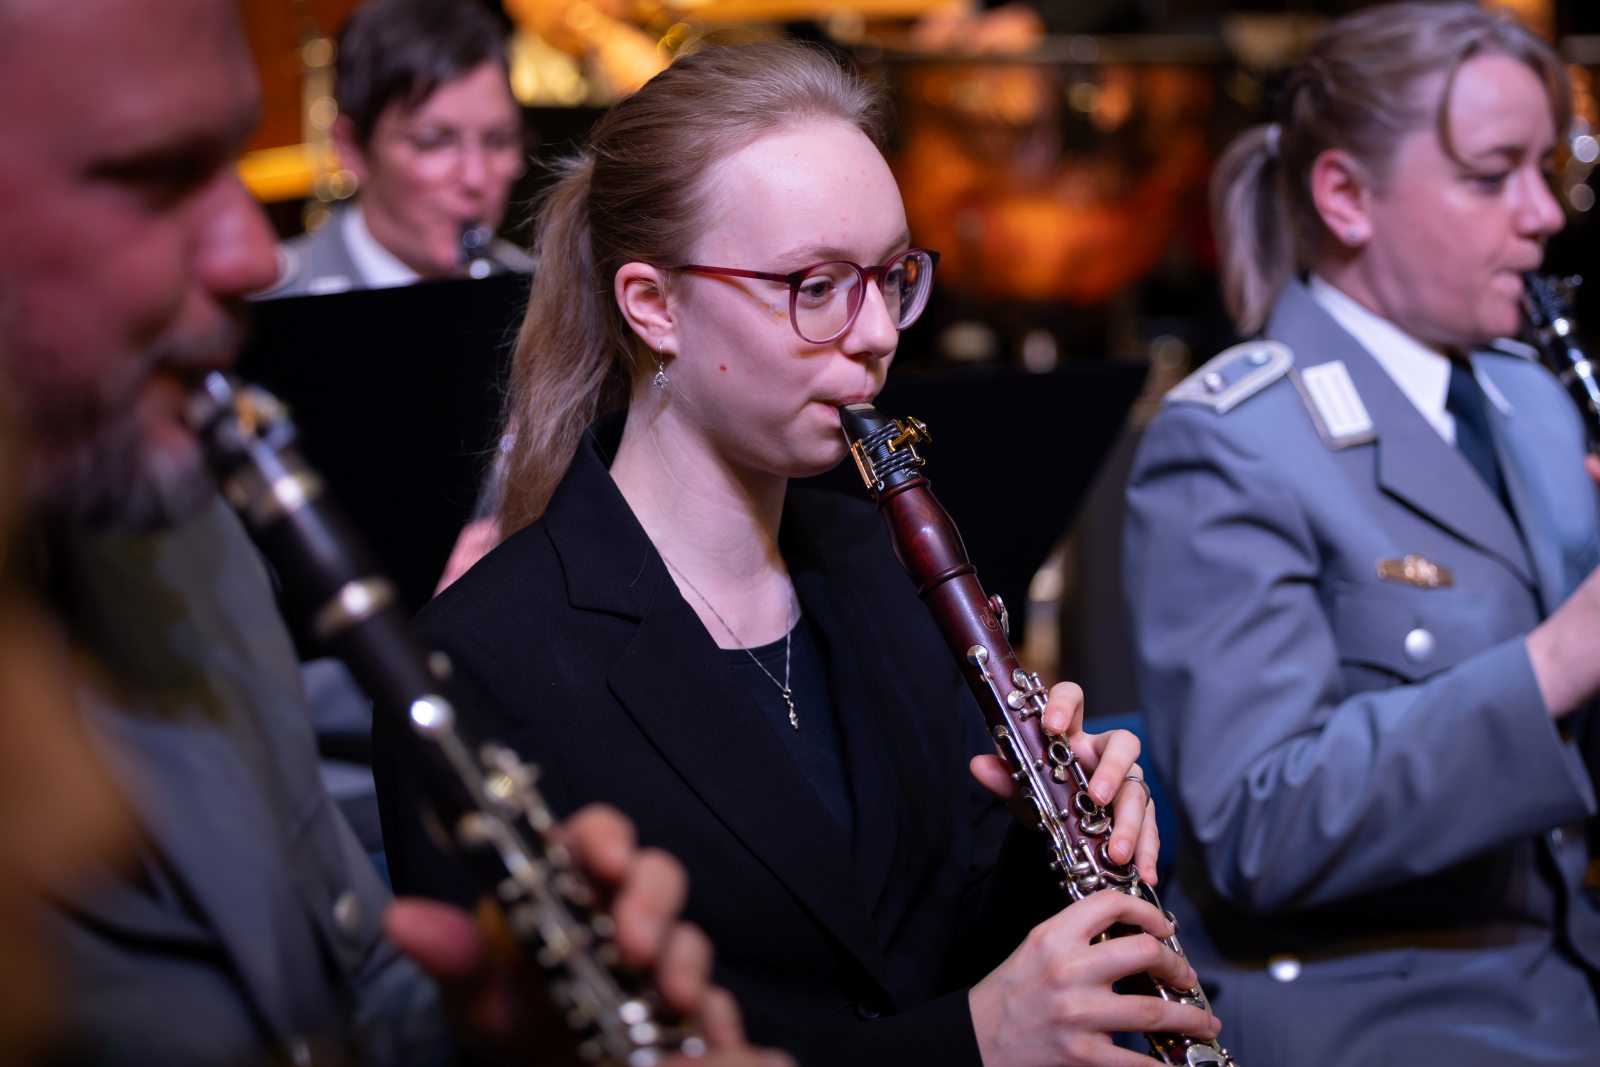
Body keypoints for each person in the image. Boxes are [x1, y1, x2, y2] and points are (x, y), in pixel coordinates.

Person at [381, 40, 1222, 1067]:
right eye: (816, 284)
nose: (874, 332)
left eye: (891, 277)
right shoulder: (481, 663)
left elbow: (930, 945)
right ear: (653, 305)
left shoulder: (888, 569)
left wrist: (1062, 878)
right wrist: (973, 1038)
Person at [0, 0, 782, 1063]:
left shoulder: (183, 546)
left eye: (228, 161)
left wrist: (493, 1021)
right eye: (149, 177)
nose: (247, 254)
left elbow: (345, 976)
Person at [1123, 3, 1600, 1064]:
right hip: (1390, 1024)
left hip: (1558, 986)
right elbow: (1256, 826)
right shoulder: (1231, 442)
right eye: (1490, 175)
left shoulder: (1533, 400)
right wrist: (1561, 657)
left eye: (1545, 168)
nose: (1541, 215)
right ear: (1344, 195)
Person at [260, 0, 534, 299]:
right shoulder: (268, 308)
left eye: (500, 140)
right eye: (432, 142)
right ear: (350, 148)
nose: (476, 178)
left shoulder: (545, 294)